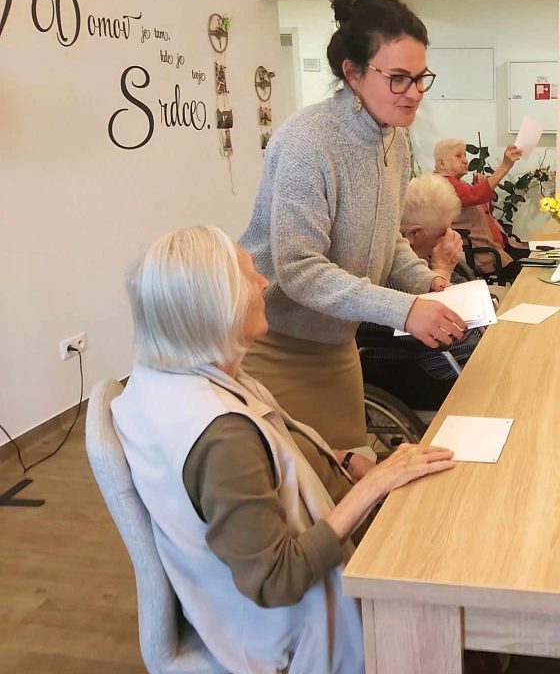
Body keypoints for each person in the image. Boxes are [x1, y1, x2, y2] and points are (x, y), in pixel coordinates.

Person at [113, 225, 456, 674]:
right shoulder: (222, 437)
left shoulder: (175, 381)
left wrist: (346, 460)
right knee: (457, 567)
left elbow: (271, 454)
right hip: (304, 635)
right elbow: (276, 580)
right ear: (216, 305)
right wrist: (375, 487)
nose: (264, 283)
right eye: (249, 276)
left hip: (305, 583)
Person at [239, 0, 465, 451]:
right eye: (398, 77)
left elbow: (389, 238)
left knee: (350, 472)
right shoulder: (308, 142)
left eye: (420, 77)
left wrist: (426, 282)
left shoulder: (395, 140)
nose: (414, 93)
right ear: (354, 73)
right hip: (277, 346)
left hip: (338, 343)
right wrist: (404, 309)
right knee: (297, 484)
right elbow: (300, 270)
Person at [359, 175, 485, 409]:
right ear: (414, 234)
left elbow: (459, 289)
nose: (451, 239)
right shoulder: (386, 273)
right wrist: (442, 268)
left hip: (471, 354)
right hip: (433, 371)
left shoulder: (423, 257)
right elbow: (431, 330)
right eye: (443, 233)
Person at [434, 138, 528, 279]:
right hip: (487, 255)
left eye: (465, 155)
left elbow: (483, 210)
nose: (465, 160)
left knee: (541, 257)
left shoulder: (459, 183)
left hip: (499, 249)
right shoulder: (443, 185)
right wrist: (505, 166)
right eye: (458, 156)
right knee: (535, 269)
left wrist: (479, 186)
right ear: (442, 164)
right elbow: (474, 195)